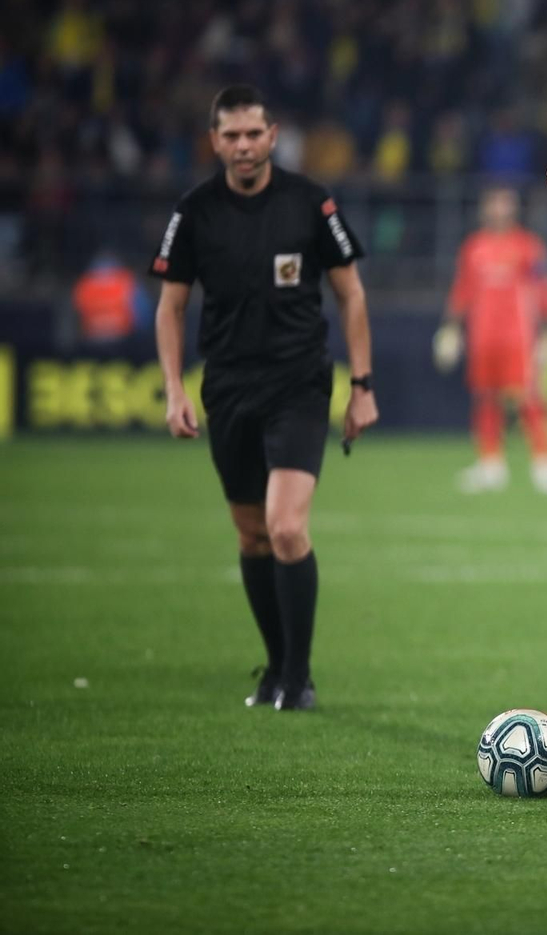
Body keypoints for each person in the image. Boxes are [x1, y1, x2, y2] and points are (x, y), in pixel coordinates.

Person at [151, 85, 378, 712]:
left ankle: (298, 679)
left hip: (298, 382)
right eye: (232, 136)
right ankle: (275, 668)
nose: (244, 146)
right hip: (227, 385)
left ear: (273, 135)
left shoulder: (311, 203)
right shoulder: (194, 211)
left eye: (255, 134)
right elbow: (171, 308)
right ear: (215, 141)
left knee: (284, 527)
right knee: (251, 536)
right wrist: (174, 389)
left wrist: (362, 386)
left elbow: (351, 294)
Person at [436, 185, 547, 494]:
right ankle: (491, 464)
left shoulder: (527, 246)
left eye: (504, 204)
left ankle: (544, 463)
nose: (498, 210)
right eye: (493, 203)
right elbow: (462, 290)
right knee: (485, 396)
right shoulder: (473, 247)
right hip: (482, 336)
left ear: (513, 209)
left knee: (527, 396)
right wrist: (450, 328)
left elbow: (544, 288)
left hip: (517, 336)